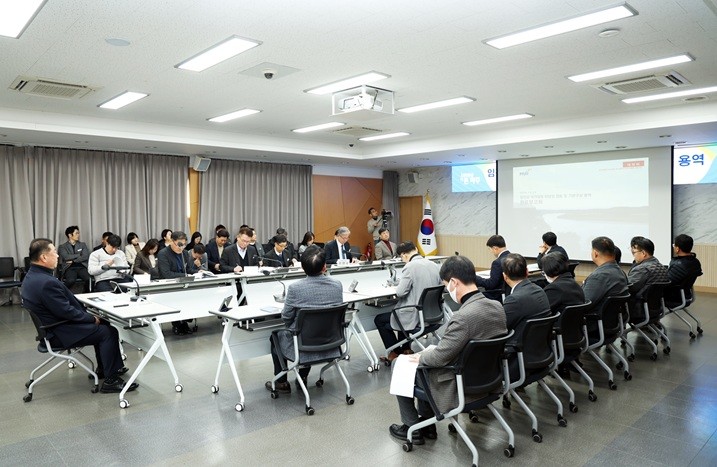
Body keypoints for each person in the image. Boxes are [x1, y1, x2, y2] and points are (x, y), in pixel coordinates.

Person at [390, 255, 507, 445]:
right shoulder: (497, 307)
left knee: (400, 364)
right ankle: (427, 425)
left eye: (446, 285)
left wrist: (419, 357)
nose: (447, 290)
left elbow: (439, 358)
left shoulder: (463, 317)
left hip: (461, 385)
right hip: (489, 380)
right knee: (423, 364)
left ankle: (411, 427)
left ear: (454, 282)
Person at [21, 238, 137, 394]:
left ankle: (105, 369)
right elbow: (66, 311)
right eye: (54, 252)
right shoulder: (46, 282)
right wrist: (91, 318)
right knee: (108, 332)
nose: (57, 255)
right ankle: (111, 381)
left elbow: (61, 305)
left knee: (104, 324)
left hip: (52, 327)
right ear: (43, 257)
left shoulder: (32, 276)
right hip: (60, 332)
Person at [265, 245, 344, 393]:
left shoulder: (295, 288)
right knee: (308, 329)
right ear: (324, 267)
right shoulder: (337, 285)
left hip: (303, 346)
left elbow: (286, 317)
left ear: (302, 268)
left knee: (275, 337)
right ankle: (303, 376)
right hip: (332, 343)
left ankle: (281, 382)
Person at [375, 242, 441, 362]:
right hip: (434, 316)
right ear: (416, 249)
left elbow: (400, 293)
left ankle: (394, 352)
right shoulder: (434, 265)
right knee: (401, 312)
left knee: (380, 319)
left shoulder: (410, 267)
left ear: (403, 255)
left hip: (417, 317)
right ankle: (406, 349)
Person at [502, 253, 551, 346]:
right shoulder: (539, 290)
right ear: (527, 271)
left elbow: (501, 327)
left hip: (519, 349)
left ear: (505, 276)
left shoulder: (513, 299)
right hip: (541, 346)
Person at [156, 231, 198, 335]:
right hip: (168, 285)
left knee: (192, 297)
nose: (182, 247)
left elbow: (188, 270)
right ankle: (177, 324)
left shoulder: (184, 253)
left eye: (184, 245)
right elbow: (166, 274)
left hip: (183, 284)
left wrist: (198, 272)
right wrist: (185, 275)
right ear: (172, 241)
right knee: (176, 299)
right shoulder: (163, 253)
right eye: (179, 244)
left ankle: (184, 321)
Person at [582, 236, 628, 313]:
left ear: (595, 253)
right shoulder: (620, 271)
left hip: (593, 318)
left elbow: (583, 304)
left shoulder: (599, 276)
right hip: (612, 318)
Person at [475, 234, 510, 302]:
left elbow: (491, 285)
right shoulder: (514, 258)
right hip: (508, 293)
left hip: (498, 296)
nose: (491, 251)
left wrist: (475, 277)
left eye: (490, 249)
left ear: (495, 248)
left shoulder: (497, 263)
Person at [57, 225, 91, 292]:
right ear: (70, 235)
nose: (78, 235)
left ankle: (86, 293)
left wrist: (73, 261)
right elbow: (66, 257)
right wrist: (79, 254)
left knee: (88, 279)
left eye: (78, 233)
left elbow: (85, 256)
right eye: (76, 233)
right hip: (69, 267)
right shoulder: (62, 246)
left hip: (82, 266)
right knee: (71, 280)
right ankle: (61, 292)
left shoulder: (82, 244)